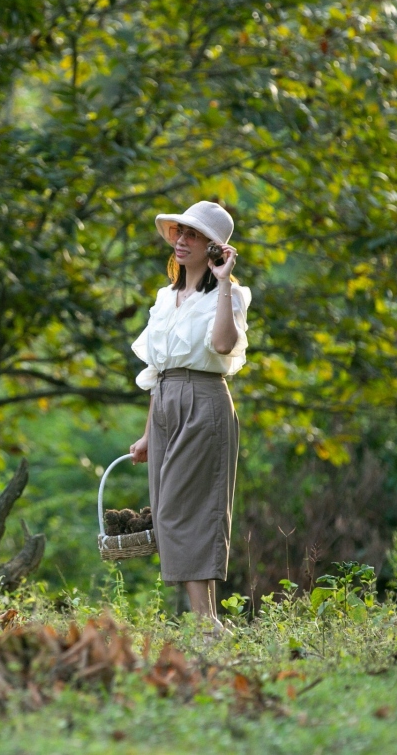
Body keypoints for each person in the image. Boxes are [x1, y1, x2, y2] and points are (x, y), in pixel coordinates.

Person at [129, 201, 252, 632]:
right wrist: (147, 434)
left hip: (204, 402)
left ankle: (206, 623)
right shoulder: (165, 298)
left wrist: (222, 284)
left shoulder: (230, 295)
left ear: (213, 248)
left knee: (183, 512)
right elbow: (156, 371)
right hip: (165, 401)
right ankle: (209, 620)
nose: (181, 241)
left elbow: (222, 346)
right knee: (169, 510)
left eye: (193, 235)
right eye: (179, 233)